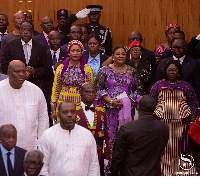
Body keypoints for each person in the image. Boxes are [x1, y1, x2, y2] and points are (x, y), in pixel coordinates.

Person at [95, 45, 142, 175]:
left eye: (123, 54)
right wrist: (111, 101)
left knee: (126, 138)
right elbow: (98, 88)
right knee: (109, 139)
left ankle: (124, 170)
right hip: (108, 111)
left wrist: (128, 101)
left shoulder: (132, 71)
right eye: (118, 54)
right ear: (112, 56)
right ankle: (108, 170)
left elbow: (138, 90)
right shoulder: (104, 71)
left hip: (127, 111)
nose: (121, 56)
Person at [150, 59, 198, 175]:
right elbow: (151, 102)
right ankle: (163, 173)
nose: (172, 72)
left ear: (178, 71)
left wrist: (192, 121)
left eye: (174, 70)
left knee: (182, 149)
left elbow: (194, 104)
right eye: (169, 70)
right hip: (162, 124)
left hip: (181, 125)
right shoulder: (158, 85)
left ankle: (185, 173)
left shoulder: (186, 85)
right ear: (165, 71)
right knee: (164, 149)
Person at [111, 95, 169, 176]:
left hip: (131, 174)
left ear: (138, 108)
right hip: (153, 173)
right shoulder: (164, 128)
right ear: (155, 109)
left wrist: (114, 173)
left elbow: (117, 157)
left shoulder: (126, 129)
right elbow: (162, 149)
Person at [39, 101, 100, 176]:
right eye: (65, 112)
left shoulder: (87, 135)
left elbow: (93, 166)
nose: (69, 115)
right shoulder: (48, 135)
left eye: (72, 112)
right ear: (58, 115)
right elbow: (42, 168)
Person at [0, 60, 49, 150]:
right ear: (8, 73)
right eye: (17, 72)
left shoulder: (35, 91)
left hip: (31, 149)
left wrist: (42, 143)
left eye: (23, 71)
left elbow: (43, 118)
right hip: (4, 150)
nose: (21, 74)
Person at [51, 40, 94, 123]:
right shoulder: (61, 68)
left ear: (82, 53)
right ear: (68, 52)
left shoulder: (87, 69)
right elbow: (56, 89)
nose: (75, 53)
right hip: (63, 103)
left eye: (78, 51)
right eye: (73, 50)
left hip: (80, 104)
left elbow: (90, 91)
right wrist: (53, 110)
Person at [76, 82, 110, 175]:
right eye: (87, 91)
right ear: (81, 92)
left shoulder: (101, 111)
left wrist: (106, 155)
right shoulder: (74, 110)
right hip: (79, 151)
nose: (90, 94)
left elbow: (106, 135)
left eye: (93, 92)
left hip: (98, 153)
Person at [156, 38, 200, 107]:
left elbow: (197, 86)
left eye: (180, 48)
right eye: (175, 47)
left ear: (186, 49)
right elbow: (157, 82)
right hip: (166, 103)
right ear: (171, 48)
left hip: (186, 103)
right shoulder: (163, 62)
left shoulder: (194, 63)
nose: (177, 50)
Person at [1, 21, 47, 87]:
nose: (25, 32)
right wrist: (18, 73)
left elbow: (44, 68)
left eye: (28, 30)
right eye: (23, 29)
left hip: (34, 85)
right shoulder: (10, 45)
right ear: (19, 31)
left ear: (32, 32)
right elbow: (4, 66)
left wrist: (34, 71)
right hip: (14, 84)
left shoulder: (40, 47)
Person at [41, 30, 68, 126]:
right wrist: (53, 68)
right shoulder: (43, 53)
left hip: (63, 92)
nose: (55, 41)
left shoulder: (67, 54)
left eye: (57, 39)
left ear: (61, 40)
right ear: (48, 41)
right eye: (52, 39)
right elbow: (41, 71)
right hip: (47, 89)